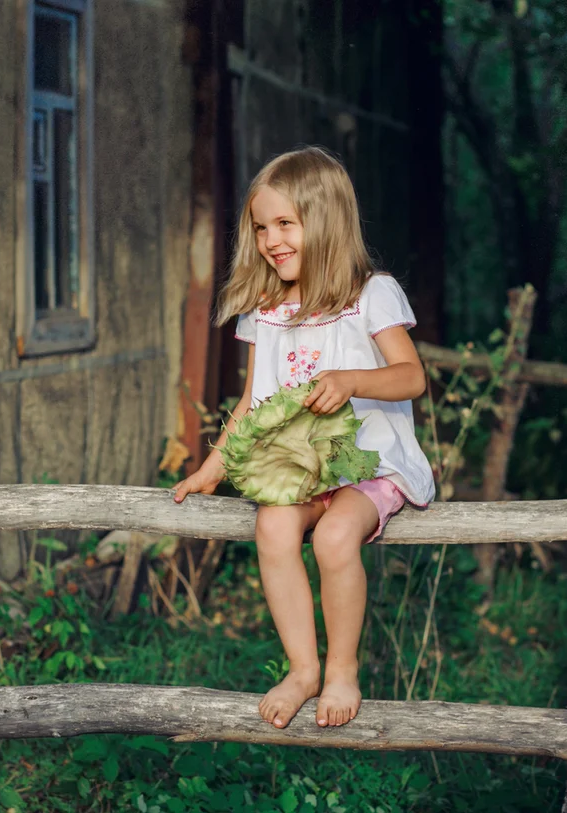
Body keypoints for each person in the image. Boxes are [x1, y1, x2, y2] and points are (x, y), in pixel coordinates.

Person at [172, 146, 435, 729]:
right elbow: (251, 400)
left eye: (285, 224)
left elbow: (411, 376)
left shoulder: (371, 294)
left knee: (336, 537)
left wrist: (350, 380)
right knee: (272, 525)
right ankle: (302, 668)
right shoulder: (265, 308)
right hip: (300, 466)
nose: (271, 240)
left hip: (369, 465)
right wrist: (211, 470)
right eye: (261, 228)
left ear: (325, 219)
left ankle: (342, 668)